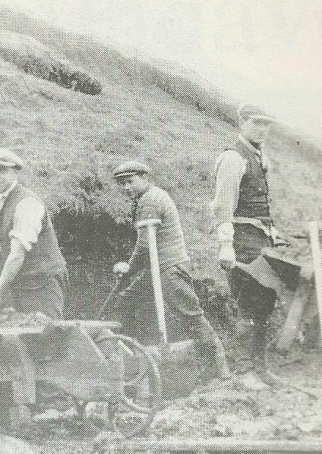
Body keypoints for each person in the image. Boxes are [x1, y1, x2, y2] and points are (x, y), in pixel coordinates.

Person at [113, 160, 229, 380]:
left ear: (144, 178)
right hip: (156, 267)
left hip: (169, 267)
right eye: (121, 184)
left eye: (130, 181)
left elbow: (146, 244)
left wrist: (128, 269)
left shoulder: (150, 201)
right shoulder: (145, 198)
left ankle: (218, 370)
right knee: (126, 302)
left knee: (190, 315)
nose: (126, 187)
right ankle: (133, 361)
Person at [210, 103, 281, 390]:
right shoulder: (233, 158)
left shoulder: (259, 157)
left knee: (264, 303)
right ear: (241, 122)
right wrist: (226, 244)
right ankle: (243, 372)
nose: (262, 129)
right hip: (241, 239)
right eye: (256, 123)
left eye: (266, 124)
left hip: (261, 239)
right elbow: (223, 205)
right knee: (248, 303)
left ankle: (261, 369)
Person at [0, 148, 68, 321]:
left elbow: (16, 256)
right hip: (24, 283)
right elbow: (20, 242)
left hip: (43, 283)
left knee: (45, 338)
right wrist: (2, 246)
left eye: (2, 170)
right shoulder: (2, 199)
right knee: (24, 336)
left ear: (15, 173)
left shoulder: (26, 204)